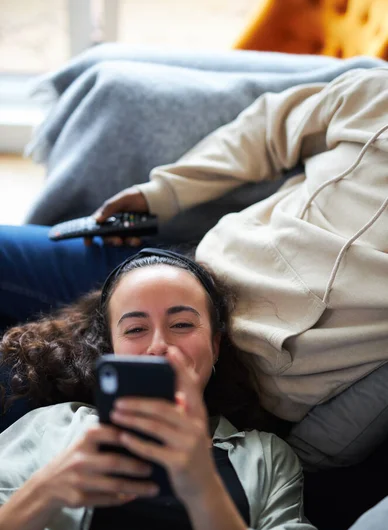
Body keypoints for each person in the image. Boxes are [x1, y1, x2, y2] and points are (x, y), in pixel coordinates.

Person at [1, 66, 388, 424]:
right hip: (187, 272)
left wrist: (308, 463)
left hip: (251, 382)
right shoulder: (375, 94)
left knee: (16, 392)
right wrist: (163, 193)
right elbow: (269, 130)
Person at [0, 248, 320, 530]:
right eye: (135, 329)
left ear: (215, 345)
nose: (158, 346)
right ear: (112, 350)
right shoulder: (53, 426)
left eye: (181, 324)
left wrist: (202, 488)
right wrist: (46, 490)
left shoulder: (269, 456)